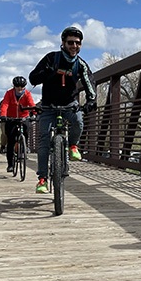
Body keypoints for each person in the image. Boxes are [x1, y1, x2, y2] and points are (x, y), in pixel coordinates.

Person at [28, 26, 97, 194]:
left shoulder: (80, 64)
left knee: (78, 121)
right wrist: (47, 72)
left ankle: (73, 145)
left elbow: (90, 83)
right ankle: (42, 179)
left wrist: (91, 101)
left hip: (69, 105)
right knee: (44, 141)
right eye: (70, 42)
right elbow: (33, 78)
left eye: (78, 43)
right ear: (63, 43)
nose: (74, 46)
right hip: (48, 106)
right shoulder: (51, 58)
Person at [0, 76, 37, 172]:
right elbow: (5, 104)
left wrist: (35, 114)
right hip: (11, 118)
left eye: (22, 86)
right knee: (10, 142)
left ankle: (24, 149)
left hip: (23, 117)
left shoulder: (27, 94)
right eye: (18, 86)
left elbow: (31, 104)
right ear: (14, 86)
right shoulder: (9, 93)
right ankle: (10, 164)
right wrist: (3, 115)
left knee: (26, 133)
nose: (20, 88)